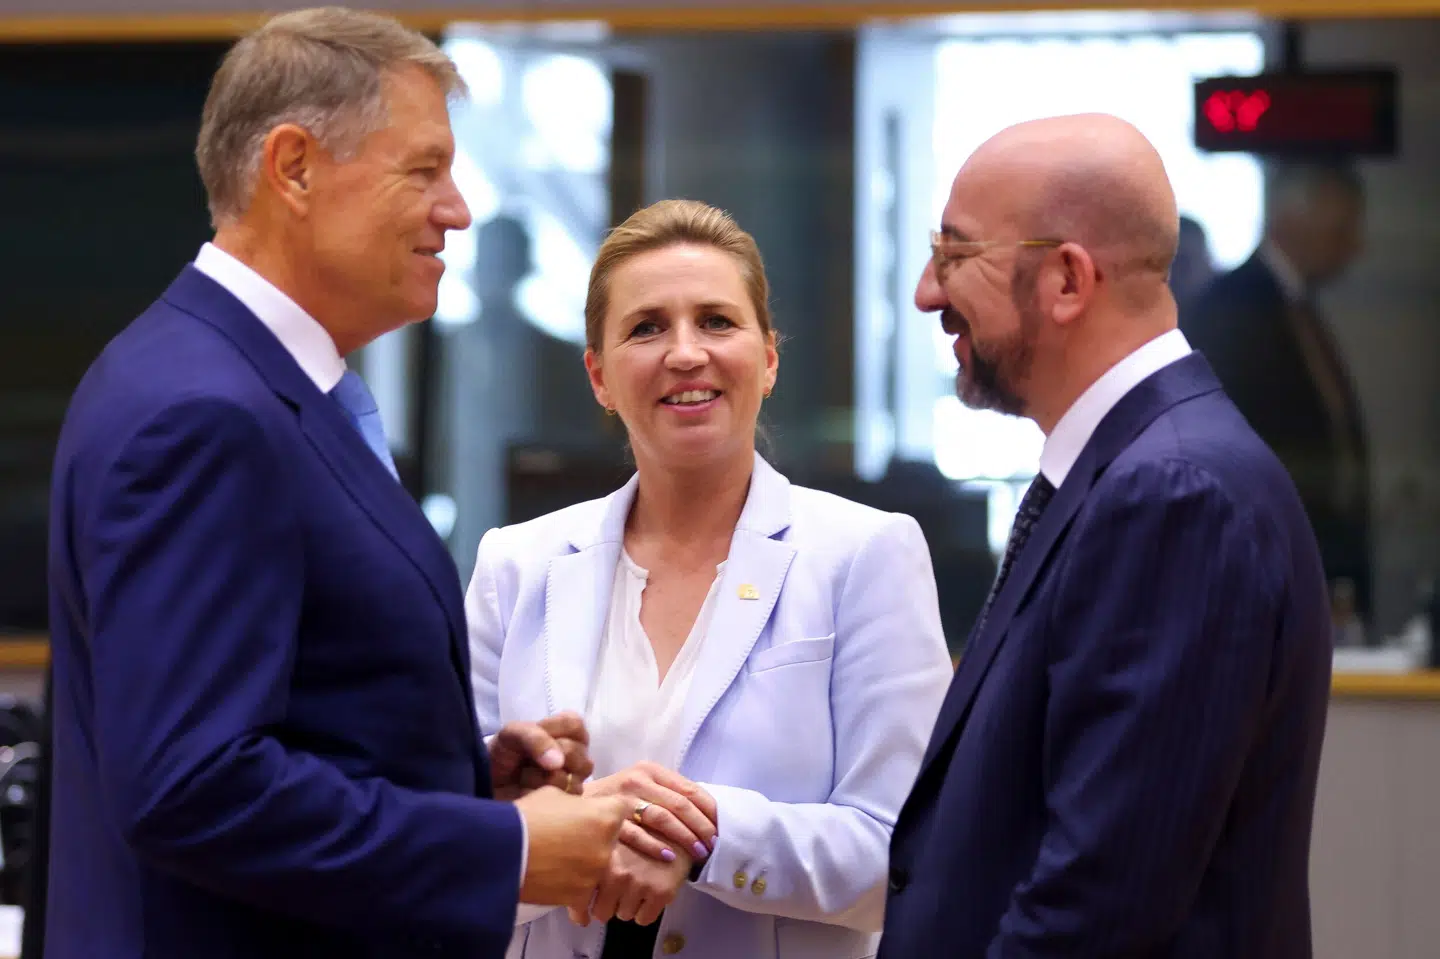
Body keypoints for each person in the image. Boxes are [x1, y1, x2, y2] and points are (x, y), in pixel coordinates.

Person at [44, 10, 628, 959]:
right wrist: (507, 846)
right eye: (424, 168)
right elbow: (193, 786)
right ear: (294, 167)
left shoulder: (227, 377)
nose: (459, 208)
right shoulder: (207, 412)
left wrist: (454, 776)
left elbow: (282, 719)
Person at [881, 114, 1333, 959]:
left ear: (1065, 281)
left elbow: (1097, 906)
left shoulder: (1171, 493)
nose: (926, 292)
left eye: (955, 254)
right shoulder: (1134, 468)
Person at [466, 199, 954, 959]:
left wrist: (704, 834)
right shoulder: (515, 564)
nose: (685, 352)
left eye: (717, 321)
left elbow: (906, 851)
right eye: (647, 326)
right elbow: (452, 840)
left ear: (768, 357)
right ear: (598, 374)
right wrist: (574, 843)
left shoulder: (866, 554)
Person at [1182, 161, 1370, 630]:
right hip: (1261, 567)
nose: (1354, 246)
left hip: (1312, 562)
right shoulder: (1233, 306)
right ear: (1293, 218)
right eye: (1341, 227)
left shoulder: (1298, 307)